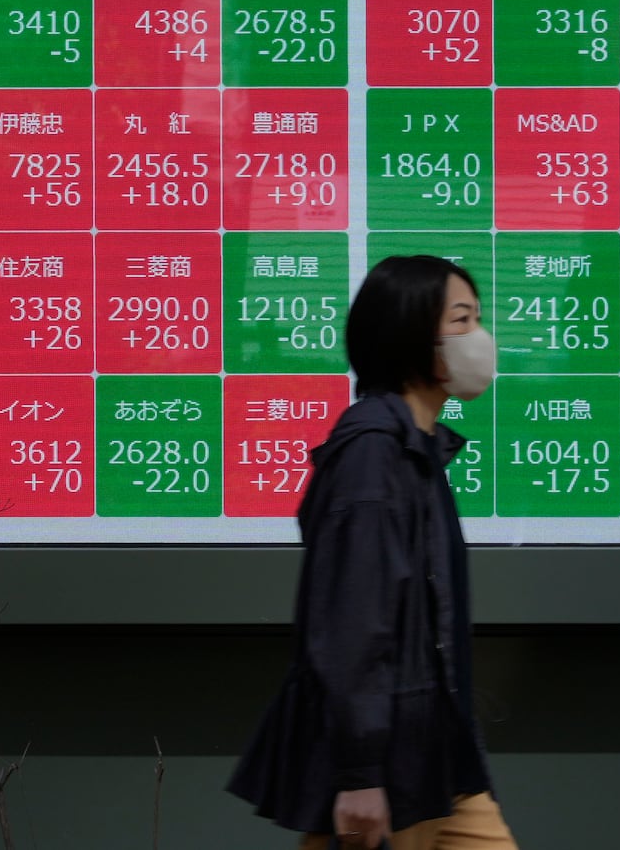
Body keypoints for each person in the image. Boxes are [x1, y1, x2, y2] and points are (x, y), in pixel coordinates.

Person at [229, 255, 518, 850]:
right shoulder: (373, 458)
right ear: (412, 336)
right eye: (461, 321)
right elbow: (352, 621)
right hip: (389, 769)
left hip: (438, 760)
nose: (479, 338)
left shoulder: (417, 449)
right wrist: (360, 774)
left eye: (476, 319)